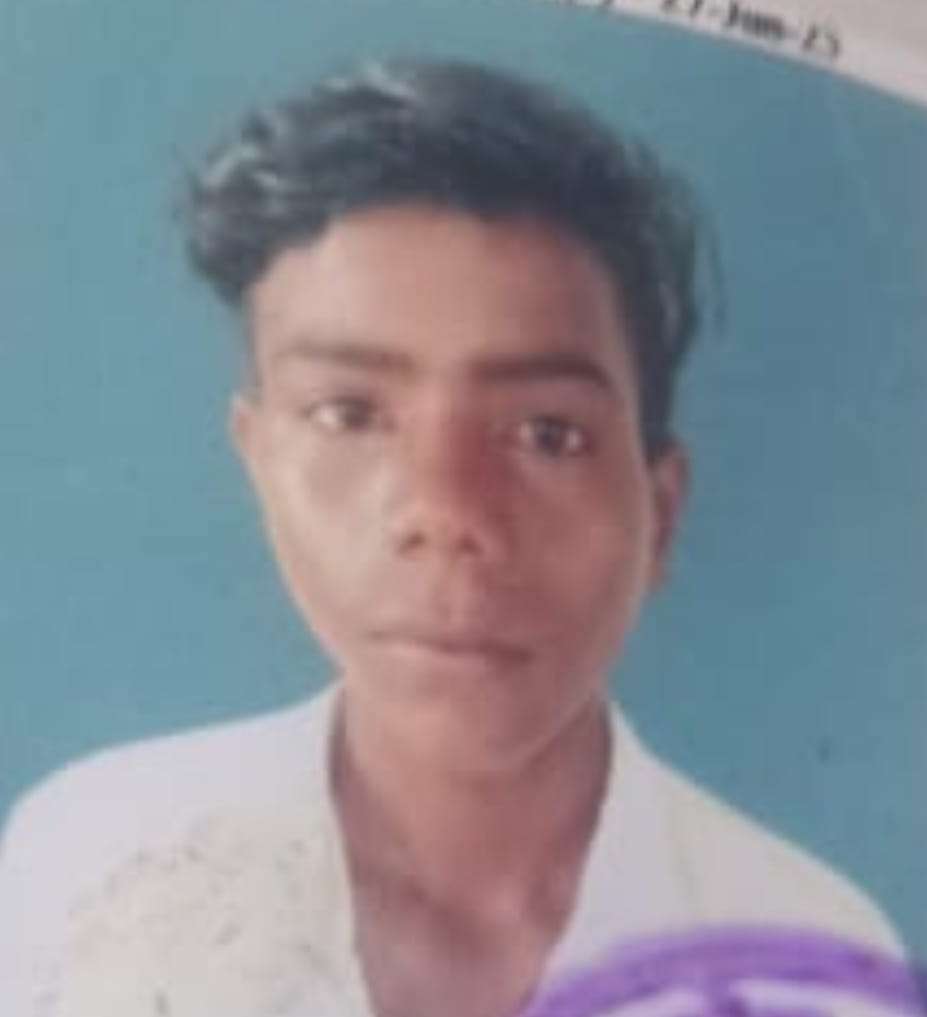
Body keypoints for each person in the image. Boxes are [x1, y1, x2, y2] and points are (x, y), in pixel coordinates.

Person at [0, 58, 904, 1017]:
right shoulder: (91, 861)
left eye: (546, 433)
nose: (447, 511)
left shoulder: (811, 963)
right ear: (259, 462)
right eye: (349, 414)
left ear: (660, 512)